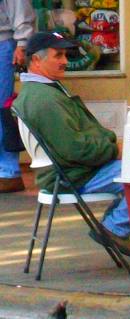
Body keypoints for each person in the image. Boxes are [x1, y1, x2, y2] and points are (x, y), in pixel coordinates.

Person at [13, 31, 130, 258]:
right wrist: (114, 149)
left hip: (72, 171)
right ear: (36, 60)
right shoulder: (44, 99)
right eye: (58, 55)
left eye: (65, 55)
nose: (65, 61)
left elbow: (77, 143)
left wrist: (111, 144)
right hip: (73, 175)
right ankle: (114, 228)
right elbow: (75, 149)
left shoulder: (46, 90)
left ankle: (115, 226)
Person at [0, 0, 35, 192]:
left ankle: (7, 171)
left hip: (2, 42)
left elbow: (20, 7)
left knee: (1, 109)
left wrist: (22, 42)